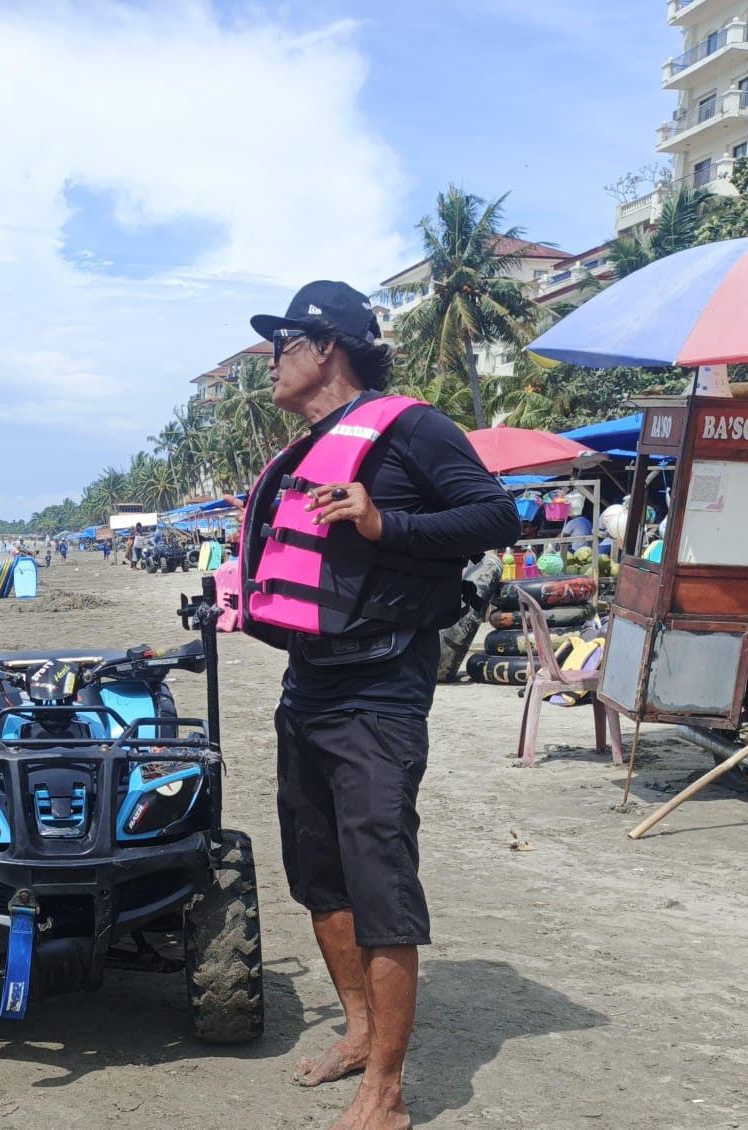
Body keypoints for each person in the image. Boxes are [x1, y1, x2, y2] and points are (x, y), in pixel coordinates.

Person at [245, 282, 518, 1130]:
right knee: (317, 875)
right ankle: (360, 1034)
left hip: (379, 690)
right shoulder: (309, 447)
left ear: (326, 346)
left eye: (283, 343)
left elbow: (498, 516)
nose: (271, 359)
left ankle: (388, 1095)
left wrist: (383, 524)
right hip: (309, 683)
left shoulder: (413, 430)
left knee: (380, 882)